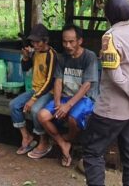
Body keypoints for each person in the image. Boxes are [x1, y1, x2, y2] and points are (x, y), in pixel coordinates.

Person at [82, 0, 129, 186]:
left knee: (93, 152)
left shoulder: (110, 37)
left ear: (109, 14)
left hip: (111, 110)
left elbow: (115, 75)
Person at [37, 24, 98, 167]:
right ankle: (63, 144)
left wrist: (68, 106)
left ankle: (69, 139)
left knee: (72, 118)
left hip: (85, 98)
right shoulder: (62, 57)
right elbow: (58, 81)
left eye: (71, 42)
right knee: (42, 116)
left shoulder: (89, 57)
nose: (67, 45)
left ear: (79, 41)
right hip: (65, 97)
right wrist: (58, 102)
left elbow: (87, 85)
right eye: (65, 42)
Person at [9, 23, 56, 158]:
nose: (35, 44)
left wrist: (33, 99)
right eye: (33, 42)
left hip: (48, 92)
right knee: (14, 105)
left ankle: (44, 141)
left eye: (37, 42)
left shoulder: (51, 55)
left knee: (36, 110)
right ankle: (27, 137)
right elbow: (26, 68)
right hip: (35, 90)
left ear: (45, 41)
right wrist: (25, 57)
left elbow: (50, 81)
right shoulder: (35, 53)